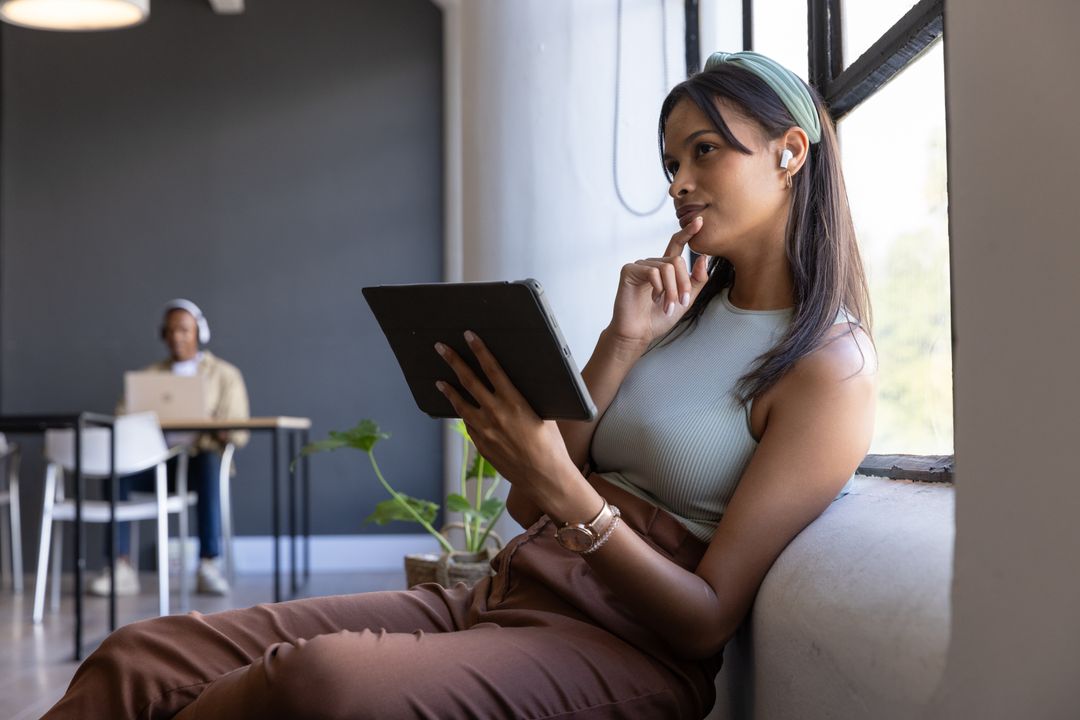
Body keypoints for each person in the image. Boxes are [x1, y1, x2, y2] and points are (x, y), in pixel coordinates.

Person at [45, 50, 875, 719]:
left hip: (622, 651)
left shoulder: (828, 370)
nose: (679, 182)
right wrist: (619, 344)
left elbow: (705, 620)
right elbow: (524, 504)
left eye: (704, 151)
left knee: (316, 684)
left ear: (789, 152)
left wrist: (566, 489)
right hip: (505, 594)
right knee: (141, 657)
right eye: (670, 161)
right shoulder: (679, 319)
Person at [88, 298, 250, 597]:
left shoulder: (225, 376)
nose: (177, 336)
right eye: (172, 330)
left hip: (199, 461)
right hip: (155, 462)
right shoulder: (147, 377)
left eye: (184, 330)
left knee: (209, 463)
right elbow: (122, 419)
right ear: (163, 334)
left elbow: (240, 432)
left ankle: (207, 564)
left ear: (199, 332)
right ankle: (120, 567)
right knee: (115, 470)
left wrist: (218, 427)